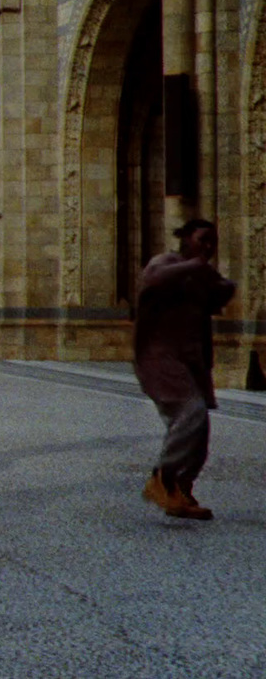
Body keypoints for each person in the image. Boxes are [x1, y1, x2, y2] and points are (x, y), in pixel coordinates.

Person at [133, 219, 235, 521]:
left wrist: (222, 285)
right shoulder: (168, 262)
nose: (208, 246)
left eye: (212, 241)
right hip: (159, 357)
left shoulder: (203, 274)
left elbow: (220, 295)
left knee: (198, 429)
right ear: (186, 239)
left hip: (191, 360)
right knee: (191, 412)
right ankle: (162, 479)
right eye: (202, 239)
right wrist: (195, 267)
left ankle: (181, 487)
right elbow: (153, 278)